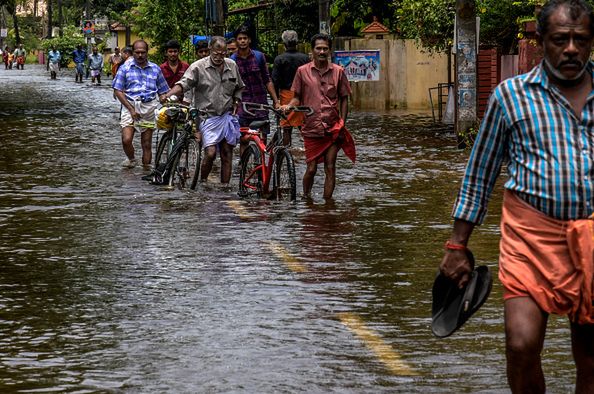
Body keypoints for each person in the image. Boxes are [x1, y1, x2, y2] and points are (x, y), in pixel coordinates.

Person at [439, 1, 594, 393]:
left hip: (592, 239)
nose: (572, 49)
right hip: (530, 237)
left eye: (582, 40)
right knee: (520, 343)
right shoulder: (511, 97)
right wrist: (457, 244)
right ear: (541, 41)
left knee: (591, 354)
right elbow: (480, 173)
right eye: (561, 40)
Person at [281, 33, 355, 200]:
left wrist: (343, 122)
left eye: (325, 48)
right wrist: (289, 107)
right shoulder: (302, 72)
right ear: (312, 51)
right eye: (318, 48)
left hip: (333, 128)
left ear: (329, 50)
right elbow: (297, 97)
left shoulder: (338, 72)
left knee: (330, 166)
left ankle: (328, 207)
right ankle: (306, 198)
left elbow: (344, 98)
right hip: (311, 127)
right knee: (312, 168)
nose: (322, 51)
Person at [163, 36, 244, 186]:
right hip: (205, 116)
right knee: (211, 152)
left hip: (226, 115)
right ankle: (203, 181)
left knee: (227, 153)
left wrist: (236, 101)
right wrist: (169, 95)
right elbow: (184, 84)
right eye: (215, 54)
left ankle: (225, 187)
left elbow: (239, 86)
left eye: (223, 54)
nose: (219, 58)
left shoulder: (232, 65)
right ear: (210, 51)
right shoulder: (197, 67)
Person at [112, 40, 169, 168]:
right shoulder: (125, 68)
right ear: (133, 53)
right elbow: (117, 90)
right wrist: (131, 109)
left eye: (143, 52)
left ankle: (146, 171)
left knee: (147, 143)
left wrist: (164, 98)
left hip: (149, 107)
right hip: (129, 105)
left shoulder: (155, 69)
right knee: (126, 140)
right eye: (137, 52)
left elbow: (163, 90)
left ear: (147, 53)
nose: (140, 55)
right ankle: (132, 159)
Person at [231, 26, 279, 152]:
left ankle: (261, 167)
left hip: (260, 103)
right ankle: (244, 167)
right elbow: (230, 86)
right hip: (243, 105)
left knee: (263, 138)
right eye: (240, 39)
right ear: (236, 41)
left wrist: (275, 100)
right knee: (243, 139)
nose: (242, 41)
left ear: (249, 40)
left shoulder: (259, 57)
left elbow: (267, 80)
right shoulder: (232, 61)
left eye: (245, 38)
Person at [272, 30, 310, 146]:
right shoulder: (305, 58)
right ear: (297, 43)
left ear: (284, 44)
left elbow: (275, 81)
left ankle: (286, 150)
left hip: (286, 95)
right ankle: (309, 147)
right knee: (304, 124)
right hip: (302, 95)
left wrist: (276, 100)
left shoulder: (279, 59)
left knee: (286, 126)